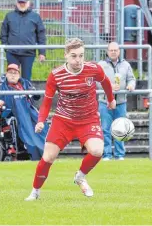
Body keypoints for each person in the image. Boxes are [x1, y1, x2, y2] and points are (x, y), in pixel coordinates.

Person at [25, 38, 116, 201]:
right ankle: (35, 192)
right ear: (65, 55)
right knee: (48, 157)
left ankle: (80, 176)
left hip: (88, 119)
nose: (78, 60)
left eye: (81, 56)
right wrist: (41, 120)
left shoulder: (93, 69)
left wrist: (111, 99)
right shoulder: (56, 75)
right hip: (63, 120)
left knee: (97, 151)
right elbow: (46, 101)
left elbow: (106, 83)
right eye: (74, 56)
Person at [0, 64, 48, 160]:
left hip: (28, 113)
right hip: (11, 114)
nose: (13, 75)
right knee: (18, 123)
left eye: (15, 73)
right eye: (10, 73)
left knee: (41, 122)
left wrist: (33, 93)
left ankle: (45, 148)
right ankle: (30, 147)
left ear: (19, 75)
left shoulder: (25, 84)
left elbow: (37, 96)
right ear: (6, 74)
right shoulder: (1, 87)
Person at [97, 42, 136, 161]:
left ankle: (120, 155)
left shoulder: (126, 65)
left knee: (121, 129)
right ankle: (107, 154)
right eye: (111, 50)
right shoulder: (101, 65)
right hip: (105, 102)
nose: (113, 52)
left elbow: (131, 79)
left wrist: (130, 85)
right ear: (107, 52)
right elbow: (97, 82)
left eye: (116, 50)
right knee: (105, 129)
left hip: (121, 102)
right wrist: (109, 87)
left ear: (119, 51)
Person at [0, 0, 46, 81]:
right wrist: (5, 46)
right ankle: (11, 95)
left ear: (28, 3)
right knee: (11, 78)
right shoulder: (9, 16)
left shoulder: (35, 17)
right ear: (17, 3)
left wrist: (42, 52)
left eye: (24, 3)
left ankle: (25, 95)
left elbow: (41, 35)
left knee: (26, 79)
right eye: (20, 2)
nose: (22, 4)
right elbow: (3, 33)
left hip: (28, 53)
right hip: (12, 53)